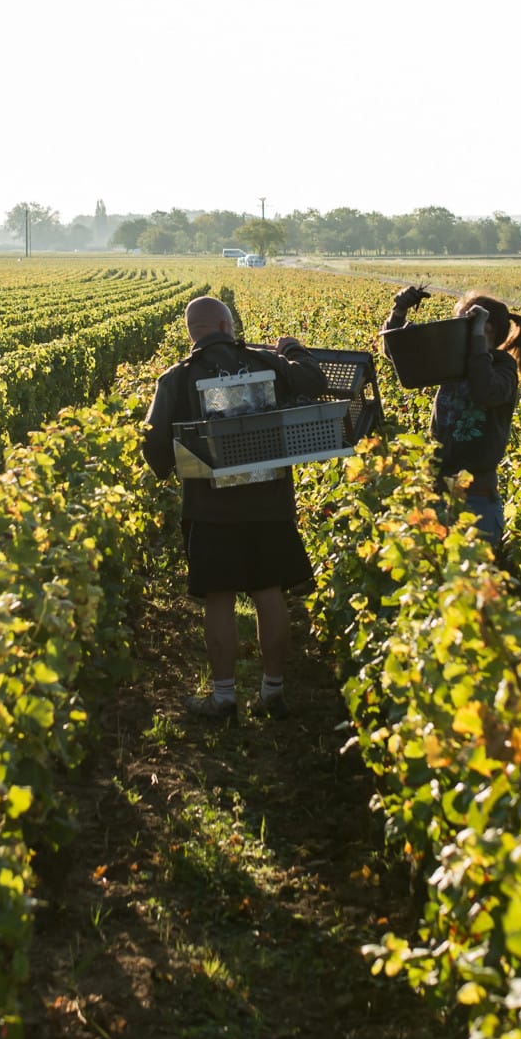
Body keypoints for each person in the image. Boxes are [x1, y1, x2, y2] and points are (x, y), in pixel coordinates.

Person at [141, 295, 329, 721]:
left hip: (211, 509)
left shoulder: (177, 377)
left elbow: (153, 445)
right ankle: (273, 690)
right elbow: (315, 383)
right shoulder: (264, 361)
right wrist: (293, 349)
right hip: (269, 502)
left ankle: (224, 697)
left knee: (220, 598)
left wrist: (168, 468)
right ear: (227, 326)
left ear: (193, 333)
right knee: (269, 592)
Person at [382, 286, 521, 547]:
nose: (457, 330)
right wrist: (399, 311)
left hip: (476, 502)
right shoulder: (452, 362)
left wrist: (476, 338)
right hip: (437, 496)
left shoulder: (503, 367)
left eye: (466, 324)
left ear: (489, 330)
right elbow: (400, 354)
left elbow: (486, 391)